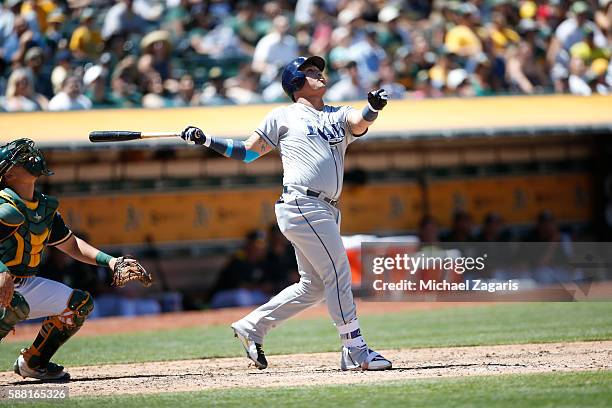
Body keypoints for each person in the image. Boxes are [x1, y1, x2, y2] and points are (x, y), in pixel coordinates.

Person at [179, 55, 392, 371]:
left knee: (315, 286)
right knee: (338, 272)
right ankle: (355, 349)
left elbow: (359, 124)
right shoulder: (283, 116)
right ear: (295, 82)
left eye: (318, 69)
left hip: (326, 209)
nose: (318, 73)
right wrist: (208, 140)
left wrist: (372, 108)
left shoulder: (338, 113)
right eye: (309, 71)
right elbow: (248, 152)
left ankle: (253, 327)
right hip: (302, 204)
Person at [0, 138, 152, 380]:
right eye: (21, 157)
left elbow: (71, 244)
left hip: (24, 283)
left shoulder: (44, 207)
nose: (31, 158)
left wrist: (111, 261)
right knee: (14, 306)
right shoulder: (4, 205)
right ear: (7, 174)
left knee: (79, 304)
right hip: (3, 284)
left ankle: (33, 361)